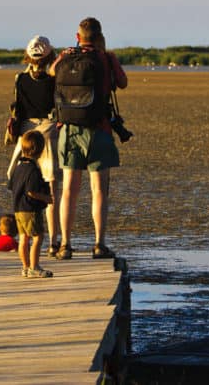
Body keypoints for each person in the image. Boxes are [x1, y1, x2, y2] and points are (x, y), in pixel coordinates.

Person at [50, 17, 128, 260]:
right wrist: (107, 55)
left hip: (69, 129)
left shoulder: (66, 56)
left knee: (68, 191)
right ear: (100, 36)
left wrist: (66, 55)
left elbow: (52, 72)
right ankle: (98, 244)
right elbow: (122, 83)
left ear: (78, 36)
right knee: (99, 191)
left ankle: (65, 245)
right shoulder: (106, 59)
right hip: (99, 130)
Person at [6, 35, 62, 256]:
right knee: (50, 189)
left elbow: (17, 109)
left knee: (22, 183)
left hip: (26, 134)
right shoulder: (54, 80)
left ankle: (26, 240)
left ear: (28, 55)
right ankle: (53, 241)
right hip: (48, 131)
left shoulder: (20, 79)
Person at [8, 131, 54, 278]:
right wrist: (46, 198)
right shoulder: (32, 170)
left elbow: (11, 186)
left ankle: (25, 267)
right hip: (30, 210)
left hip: (18, 209)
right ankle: (34, 267)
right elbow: (31, 192)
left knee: (23, 238)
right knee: (38, 237)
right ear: (39, 151)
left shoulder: (19, 167)